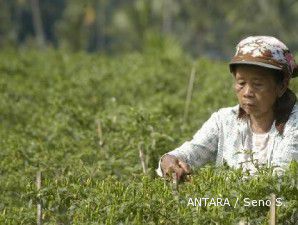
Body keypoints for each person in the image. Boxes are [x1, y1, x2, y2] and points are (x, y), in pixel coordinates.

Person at [156, 36, 298, 180]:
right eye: (241, 83)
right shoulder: (224, 121)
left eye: (257, 84)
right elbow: (194, 151)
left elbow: (280, 180)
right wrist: (169, 160)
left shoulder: (294, 125)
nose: (247, 92)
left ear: (281, 86)